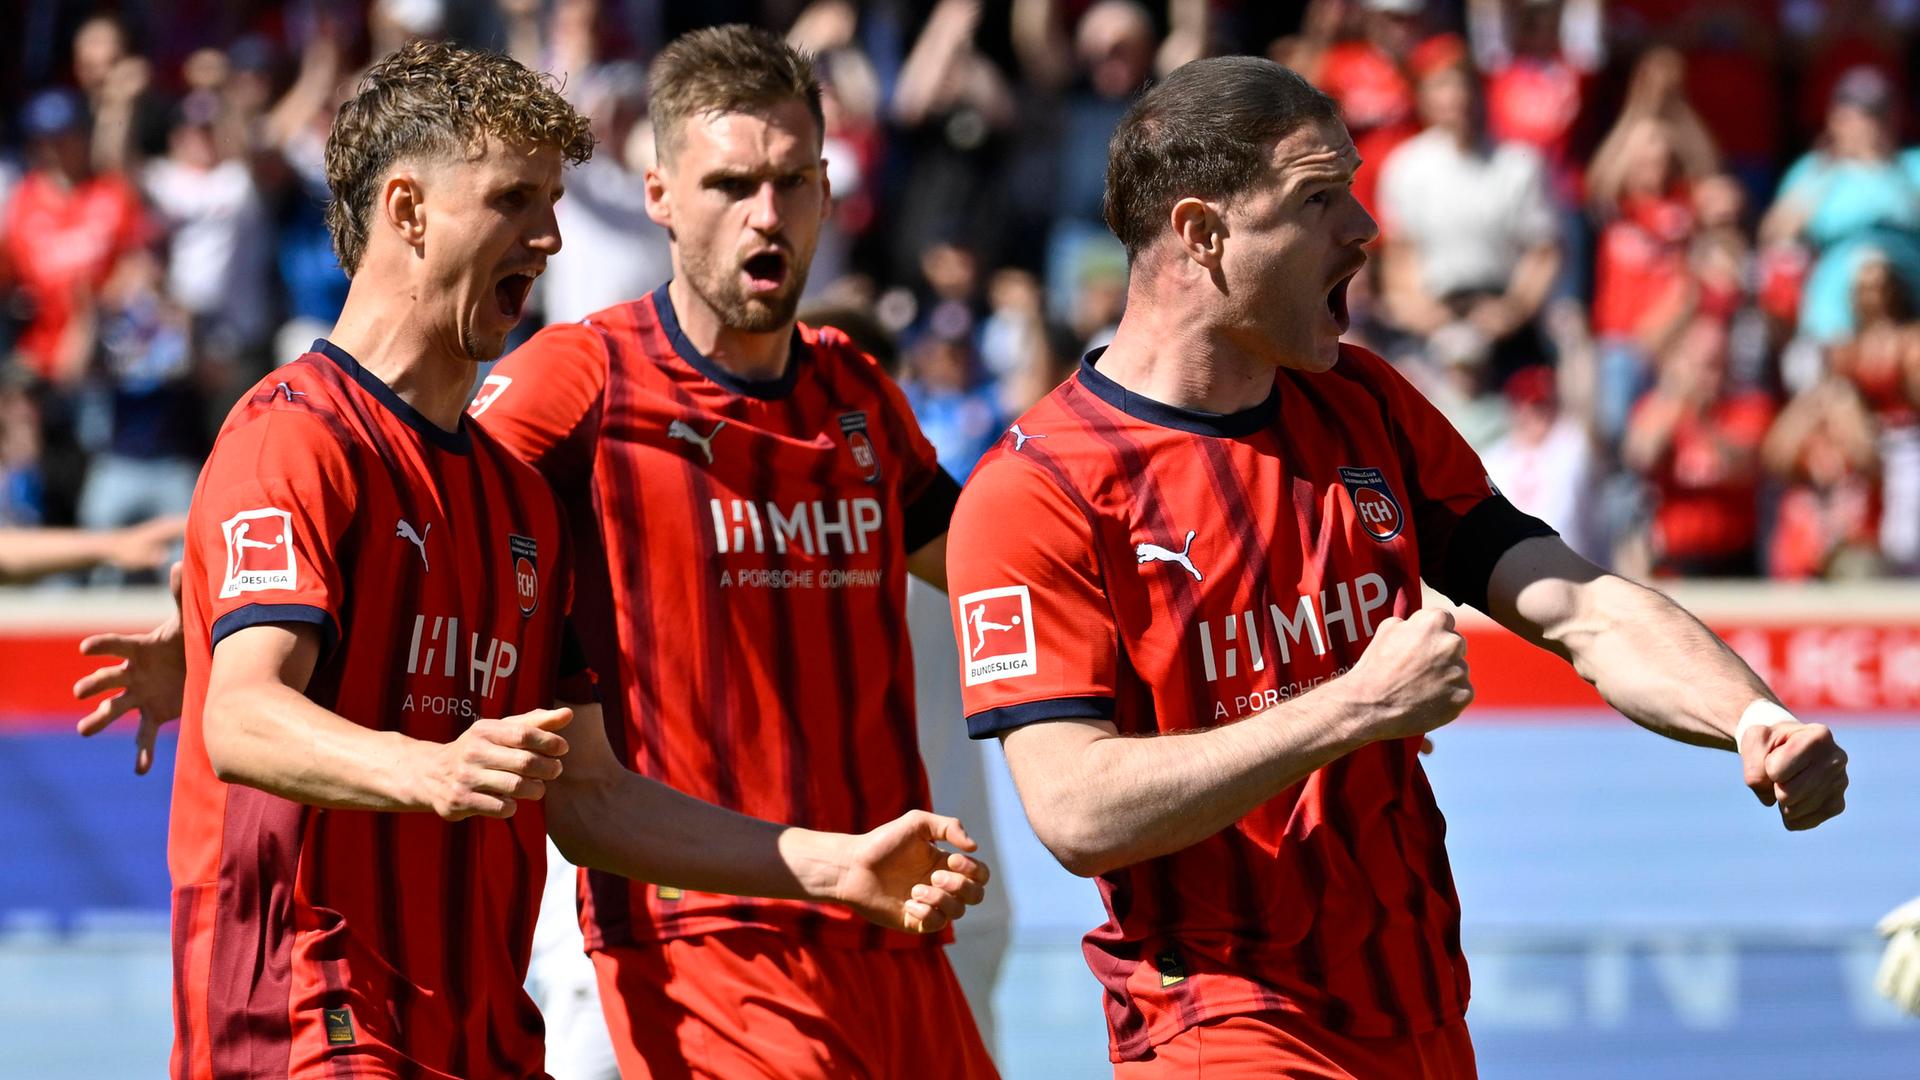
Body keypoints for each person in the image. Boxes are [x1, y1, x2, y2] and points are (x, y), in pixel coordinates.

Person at [75, 41, 988, 1080]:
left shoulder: (519, 498)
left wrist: (832, 863)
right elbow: (242, 717)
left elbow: (590, 796)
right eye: (514, 199)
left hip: (486, 1034)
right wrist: (427, 763)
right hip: (314, 1014)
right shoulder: (297, 433)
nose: (550, 237)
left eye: (551, 202)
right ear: (408, 210)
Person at [944, 56, 1850, 1076]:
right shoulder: (1038, 492)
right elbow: (1075, 810)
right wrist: (1352, 706)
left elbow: (1579, 604)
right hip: (1223, 1026)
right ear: (1202, 234)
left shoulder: (1364, 404)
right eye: (1318, 198)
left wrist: (1749, 716)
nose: (1364, 229)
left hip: (1418, 1019)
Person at [423, 26, 1006, 1079]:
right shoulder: (578, 384)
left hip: (889, 917)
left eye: (791, 182)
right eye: (731, 184)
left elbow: (984, 567)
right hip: (702, 935)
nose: (765, 215)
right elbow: (417, 513)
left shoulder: (857, 393)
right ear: (660, 196)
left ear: (829, 191)